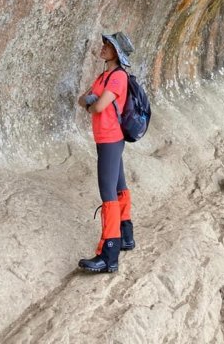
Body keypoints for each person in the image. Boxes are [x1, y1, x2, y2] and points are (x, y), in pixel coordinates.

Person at [77, 32, 135, 273]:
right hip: (106, 138)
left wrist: (92, 103)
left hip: (111, 138)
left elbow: (97, 106)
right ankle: (125, 236)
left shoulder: (118, 77)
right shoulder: (105, 76)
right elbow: (82, 99)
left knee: (108, 194)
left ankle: (109, 254)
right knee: (119, 186)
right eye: (105, 44)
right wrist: (91, 102)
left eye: (108, 45)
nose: (103, 48)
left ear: (117, 53)